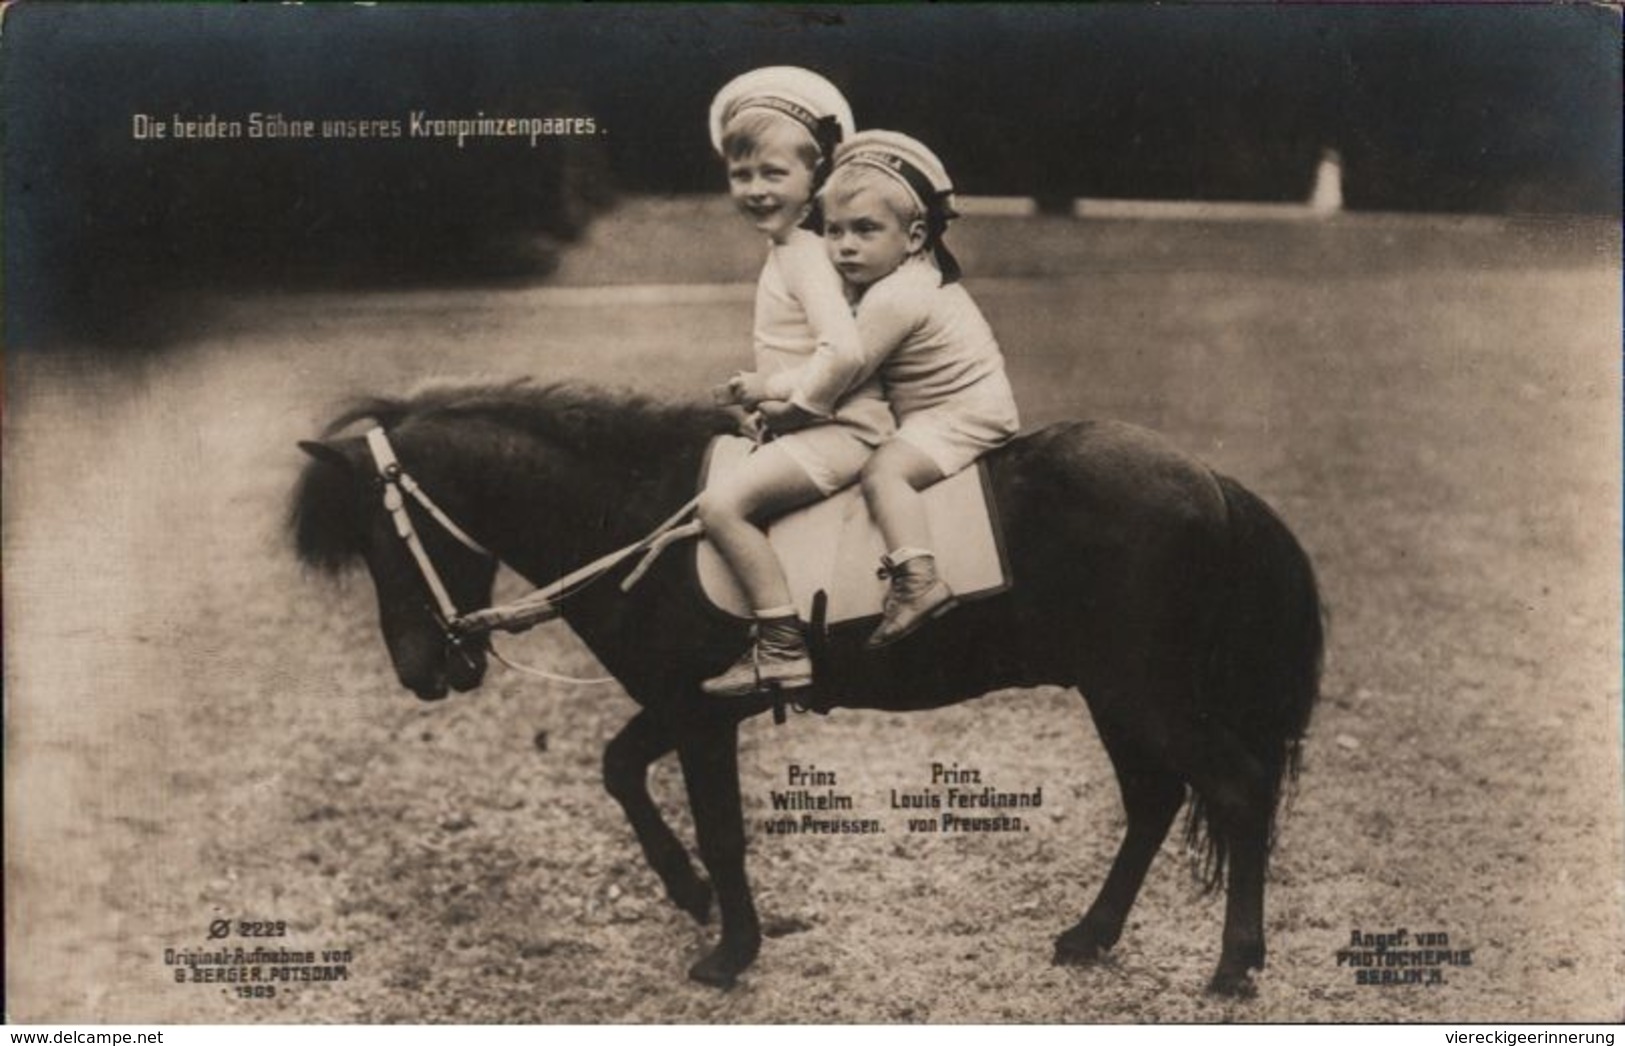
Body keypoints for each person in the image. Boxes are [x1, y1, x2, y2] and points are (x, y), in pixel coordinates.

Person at [755, 130, 1020, 649]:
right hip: (945, 407)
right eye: (833, 232)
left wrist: (771, 392)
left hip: (961, 414)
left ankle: (918, 579)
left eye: (865, 230)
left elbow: (839, 374)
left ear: (915, 236)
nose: (845, 246)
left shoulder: (895, 298)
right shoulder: (904, 277)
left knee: (884, 472)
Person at [697, 68, 895, 698]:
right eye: (742, 174)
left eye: (773, 174)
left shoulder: (807, 254)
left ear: (816, 178)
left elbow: (844, 352)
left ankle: (781, 643)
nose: (755, 189)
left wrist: (790, 407)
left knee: (720, 505)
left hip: (843, 431)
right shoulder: (790, 245)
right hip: (824, 424)